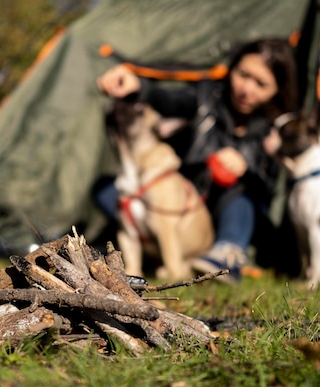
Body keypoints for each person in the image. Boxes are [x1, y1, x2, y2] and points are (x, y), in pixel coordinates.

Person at [94, 38, 298, 282]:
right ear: (232, 68)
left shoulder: (277, 130)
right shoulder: (207, 94)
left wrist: (246, 166)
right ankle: (155, 255)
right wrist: (138, 86)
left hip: (229, 214)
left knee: (242, 195)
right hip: (181, 208)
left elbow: (269, 192)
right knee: (106, 189)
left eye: (261, 84)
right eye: (243, 74)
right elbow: (170, 101)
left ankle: (226, 253)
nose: (246, 89)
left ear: (277, 90)